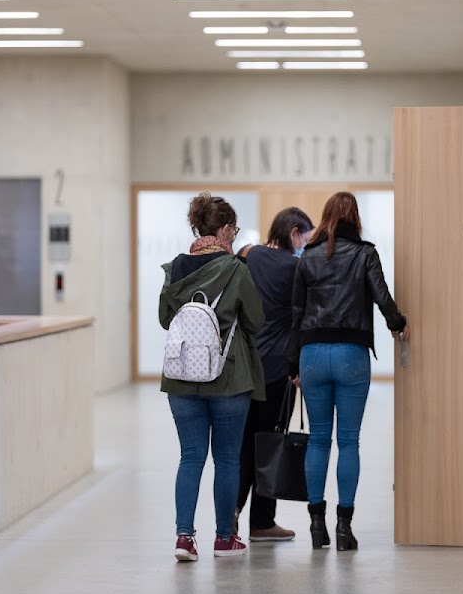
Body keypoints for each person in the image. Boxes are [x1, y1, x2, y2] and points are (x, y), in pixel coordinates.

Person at [288, 192, 408, 551]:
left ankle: (315, 524)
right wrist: (398, 323)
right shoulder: (364, 253)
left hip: (311, 354)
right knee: (348, 441)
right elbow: (382, 296)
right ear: (354, 218)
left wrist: (293, 362)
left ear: (324, 218)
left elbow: (296, 314)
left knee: (320, 440)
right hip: (351, 354)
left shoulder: (306, 256)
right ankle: (343, 528)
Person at [159, 192, 265, 562]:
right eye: (233, 229)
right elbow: (255, 320)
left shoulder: (175, 268)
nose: (234, 235)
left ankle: (184, 538)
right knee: (227, 459)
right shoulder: (236, 269)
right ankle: (224, 539)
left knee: (190, 457)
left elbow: (163, 319)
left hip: (181, 377)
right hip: (229, 377)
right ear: (223, 229)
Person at [235, 206, 316, 542]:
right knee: (267, 444)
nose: (304, 247)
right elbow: (302, 319)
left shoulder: (246, 254)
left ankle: (229, 519)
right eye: (304, 239)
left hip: (241, 367)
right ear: (294, 232)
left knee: (239, 448)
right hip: (276, 369)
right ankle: (261, 522)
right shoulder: (297, 267)